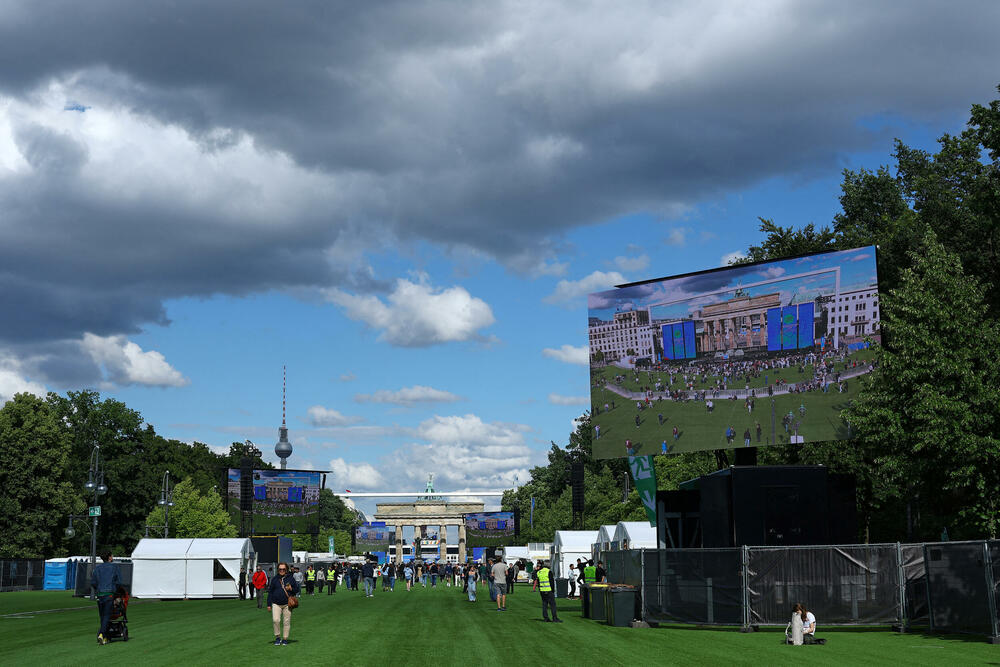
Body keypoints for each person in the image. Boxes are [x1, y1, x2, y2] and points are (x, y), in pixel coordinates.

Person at [90, 551, 121, 645]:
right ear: (110, 558)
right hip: (109, 593)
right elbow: (118, 581)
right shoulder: (114, 567)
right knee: (107, 616)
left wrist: (98, 589)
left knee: (102, 616)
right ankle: (101, 634)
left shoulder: (97, 568)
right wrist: (117, 593)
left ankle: (105, 637)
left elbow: (93, 582)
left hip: (100, 594)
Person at [267, 562, 300, 646]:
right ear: (278, 570)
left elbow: (296, 590)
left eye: (283, 569)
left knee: (286, 621)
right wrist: (268, 604)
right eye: (280, 569)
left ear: (286, 570)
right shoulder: (274, 579)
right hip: (276, 603)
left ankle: (285, 638)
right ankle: (278, 637)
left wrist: (291, 588)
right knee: (276, 620)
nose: (281, 570)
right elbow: (270, 592)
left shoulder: (290, 578)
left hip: (287, 604)